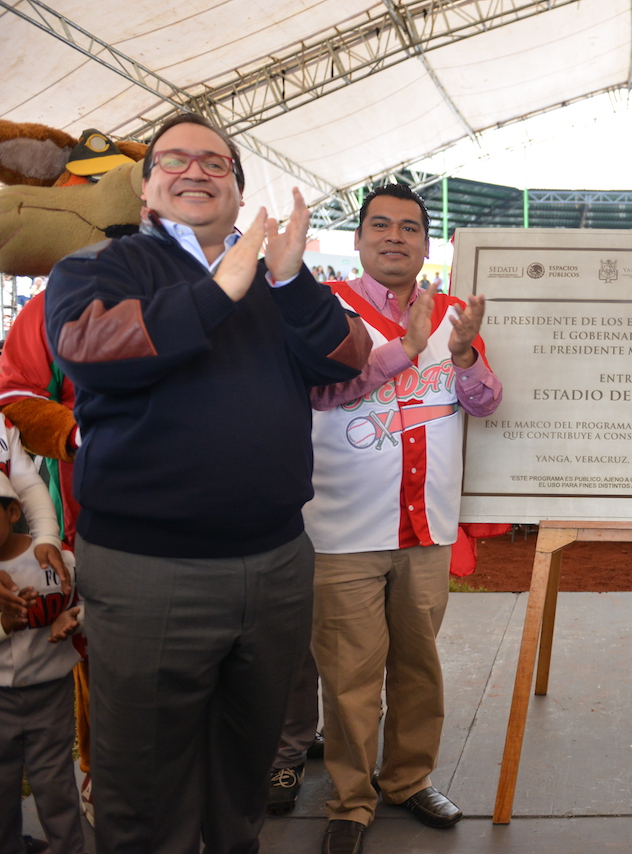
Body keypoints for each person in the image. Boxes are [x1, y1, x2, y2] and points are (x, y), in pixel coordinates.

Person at [41, 113, 371, 853]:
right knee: (145, 787)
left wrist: (291, 281)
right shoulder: (99, 267)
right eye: (174, 160)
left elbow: (348, 359)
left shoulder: (278, 276)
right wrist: (219, 291)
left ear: (238, 190)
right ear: (145, 188)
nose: (195, 170)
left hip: (276, 564)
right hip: (150, 571)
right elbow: (89, 348)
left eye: (216, 162)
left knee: (244, 771)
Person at [305, 183, 501, 854]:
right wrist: (405, 348)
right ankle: (350, 800)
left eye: (410, 227)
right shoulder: (323, 308)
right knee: (349, 677)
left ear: (426, 243)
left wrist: (465, 355)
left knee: (420, 666)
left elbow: (485, 403)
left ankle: (408, 779)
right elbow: (318, 392)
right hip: (342, 530)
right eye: (381, 225)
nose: (395, 236)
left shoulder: (453, 315)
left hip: (427, 528)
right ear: (359, 238)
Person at [0, 474, 83, 854]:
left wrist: (74, 618)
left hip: (50, 693)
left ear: (13, 511)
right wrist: (5, 625)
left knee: (55, 783)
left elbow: (95, 603)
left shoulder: (56, 557)